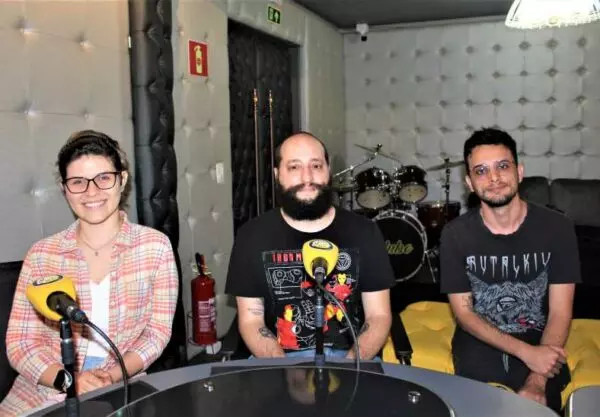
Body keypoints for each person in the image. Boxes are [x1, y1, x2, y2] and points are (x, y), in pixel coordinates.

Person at [0, 130, 179, 416]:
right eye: (78, 182)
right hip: (46, 388)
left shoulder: (154, 247)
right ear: (65, 189)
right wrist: (69, 381)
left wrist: (112, 377)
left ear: (122, 179)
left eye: (104, 178)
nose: (91, 192)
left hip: (122, 383)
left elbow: (156, 333)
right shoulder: (42, 255)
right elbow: (20, 342)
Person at [439, 128, 581, 413]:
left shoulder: (559, 228)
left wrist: (537, 378)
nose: (494, 178)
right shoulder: (455, 235)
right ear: (469, 183)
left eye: (503, 166)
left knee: (539, 407)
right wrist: (526, 353)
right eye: (481, 171)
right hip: (480, 336)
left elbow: (560, 312)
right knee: (480, 407)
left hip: (541, 336)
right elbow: (465, 315)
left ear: (520, 171)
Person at [225, 132, 395, 360]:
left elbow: (378, 316)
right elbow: (251, 321)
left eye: (316, 165)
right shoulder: (251, 236)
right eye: (294, 167)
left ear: (328, 171)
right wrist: (284, 371)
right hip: (277, 359)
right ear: (277, 174)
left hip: (352, 358)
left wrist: (350, 367)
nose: (307, 177)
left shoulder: (365, 232)